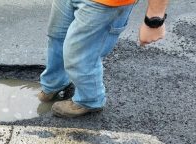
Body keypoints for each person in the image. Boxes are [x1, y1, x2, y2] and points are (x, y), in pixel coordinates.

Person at [38, 0, 168, 117]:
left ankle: (89, 100)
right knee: (57, 38)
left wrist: (154, 19)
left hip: (106, 4)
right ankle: (54, 84)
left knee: (82, 54)